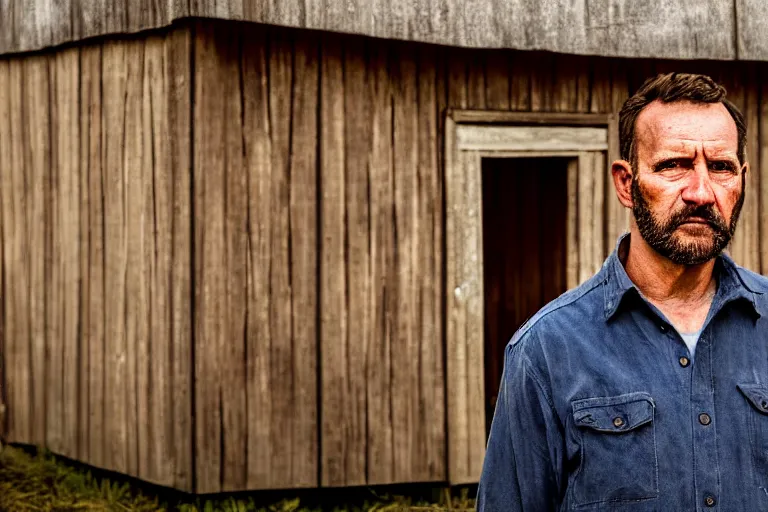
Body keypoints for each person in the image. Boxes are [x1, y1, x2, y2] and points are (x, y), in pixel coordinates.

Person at [476, 72, 768, 511]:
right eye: (674, 165)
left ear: (742, 181)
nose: (701, 191)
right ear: (626, 184)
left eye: (721, 167)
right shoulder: (547, 351)